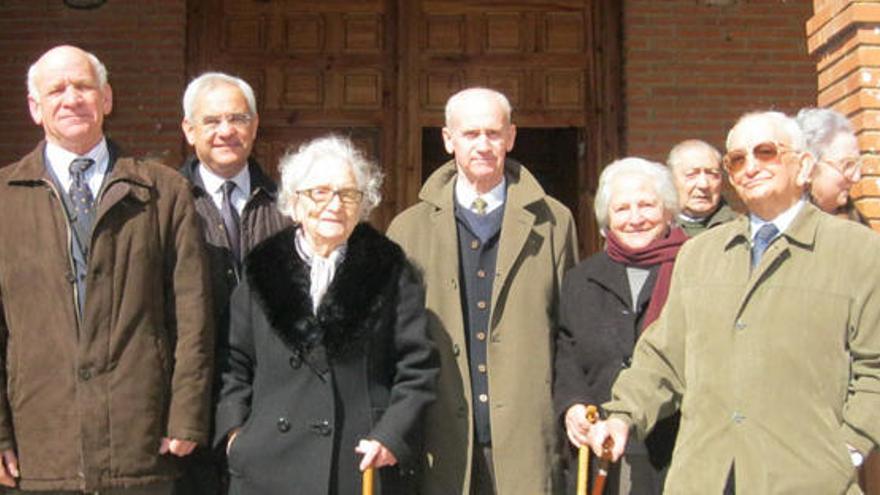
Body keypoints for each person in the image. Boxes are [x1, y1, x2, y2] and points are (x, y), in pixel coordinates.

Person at [585, 111, 880, 494]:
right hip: (705, 477)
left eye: (766, 152)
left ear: (804, 164)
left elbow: (875, 366)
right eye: (737, 159)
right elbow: (663, 357)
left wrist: (849, 450)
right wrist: (623, 416)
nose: (751, 167)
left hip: (808, 481)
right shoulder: (701, 254)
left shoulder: (856, 250)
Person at [0, 45, 212, 493]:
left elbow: (192, 316)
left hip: (141, 440)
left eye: (83, 87)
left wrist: (187, 413)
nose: (71, 98)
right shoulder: (4, 198)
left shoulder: (164, 192)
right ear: (35, 108)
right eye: (56, 89)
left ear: (107, 99)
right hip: (41, 444)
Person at [214, 135, 438, 494]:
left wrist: (391, 435)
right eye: (320, 192)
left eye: (348, 194)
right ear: (295, 202)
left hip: (358, 461)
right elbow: (233, 360)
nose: (335, 204)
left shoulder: (390, 270)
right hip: (268, 466)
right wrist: (236, 435)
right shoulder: (262, 270)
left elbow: (417, 367)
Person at [387, 87, 579, 494]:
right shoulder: (407, 228)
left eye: (493, 134)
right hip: (441, 439)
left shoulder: (555, 221)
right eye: (470, 134)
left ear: (511, 137)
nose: (483, 145)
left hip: (524, 437)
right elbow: (395, 341)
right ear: (447, 139)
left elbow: (568, 331)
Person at [176, 72, 290, 494]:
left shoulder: (289, 205)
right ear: (189, 130)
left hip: (269, 401)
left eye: (238, 118)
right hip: (191, 402)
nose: (226, 131)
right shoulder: (166, 204)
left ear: (255, 126)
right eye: (212, 121)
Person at [554, 158, 686, 495]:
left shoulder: (693, 268)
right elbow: (565, 350)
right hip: (602, 446)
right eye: (623, 208)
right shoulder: (580, 279)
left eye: (646, 205)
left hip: (676, 443)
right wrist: (573, 404)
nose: (635, 218)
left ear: (668, 211)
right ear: (607, 219)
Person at [796, 107, 864, 220]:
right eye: (847, 165)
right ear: (807, 167)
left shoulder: (859, 230)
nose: (856, 178)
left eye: (857, 165)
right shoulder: (773, 224)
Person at [666, 139, 738, 236]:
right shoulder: (656, 229)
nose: (703, 185)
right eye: (691, 175)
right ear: (671, 179)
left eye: (712, 174)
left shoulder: (738, 229)